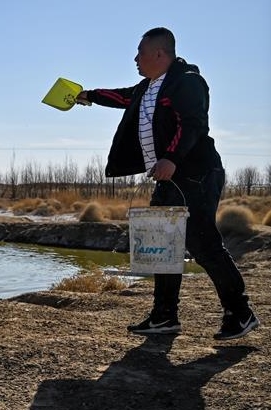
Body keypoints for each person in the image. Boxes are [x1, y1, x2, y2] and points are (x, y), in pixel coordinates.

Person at [76, 27, 259, 340]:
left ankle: (240, 313)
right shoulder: (148, 87)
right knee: (162, 245)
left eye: (140, 53)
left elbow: (194, 124)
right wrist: (88, 96)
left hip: (196, 174)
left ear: (159, 54)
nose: (135, 58)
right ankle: (164, 316)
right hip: (168, 179)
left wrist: (171, 157)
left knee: (203, 244)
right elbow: (122, 96)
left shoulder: (187, 82)